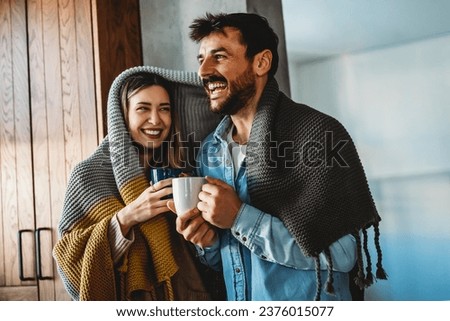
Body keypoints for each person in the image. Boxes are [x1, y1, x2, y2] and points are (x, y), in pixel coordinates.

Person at [168, 12, 387, 301]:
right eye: (201, 59)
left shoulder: (319, 134)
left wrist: (240, 218)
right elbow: (230, 261)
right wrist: (207, 243)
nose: (204, 71)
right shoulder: (211, 150)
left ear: (261, 62)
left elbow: (344, 256)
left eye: (219, 57)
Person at [53, 68, 224, 300]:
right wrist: (129, 216)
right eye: (143, 108)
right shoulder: (88, 176)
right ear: (123, 115)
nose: (156, 120)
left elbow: (210, 257)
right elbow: (69, 259)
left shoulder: (185, 171)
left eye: (164, 109)